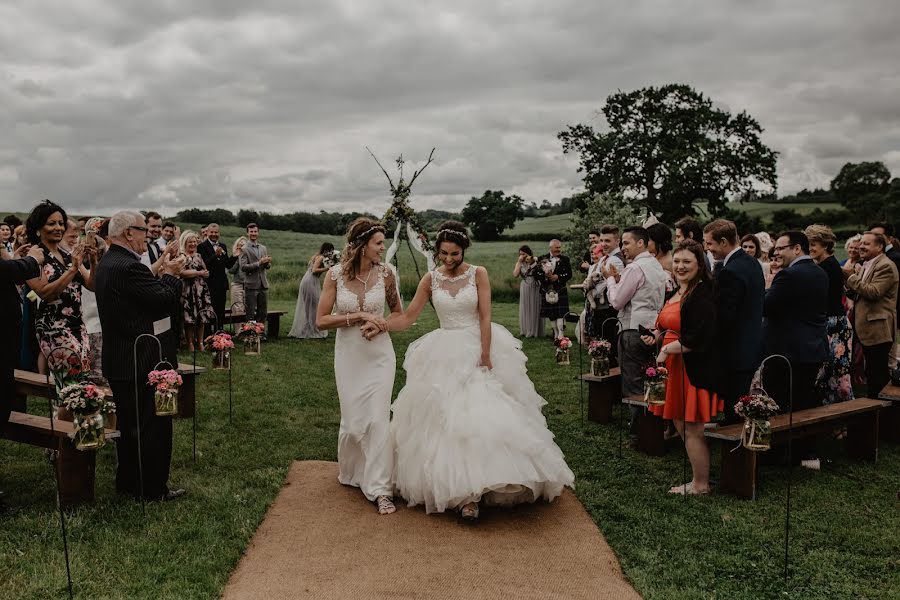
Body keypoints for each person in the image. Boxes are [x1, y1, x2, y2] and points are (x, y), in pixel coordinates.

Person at [368, 221, 574, 520]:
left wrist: (486, 354)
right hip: (442, 351)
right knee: (446, 420)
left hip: (476, 345)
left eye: (454, 254)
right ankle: (463, 495)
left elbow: (486, 316)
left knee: (480, 416)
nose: (449, 259)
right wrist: (382, 323)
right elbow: (410, 316)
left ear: (464, 250)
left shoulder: (478, 273)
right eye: (443, 254)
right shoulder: (431, 278)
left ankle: (481, 488)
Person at [94, 210, 187, 501]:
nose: (148, 235)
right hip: (141, 357)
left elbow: (139, 297)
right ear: (127, 233)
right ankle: (152, 488)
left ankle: (129, 482)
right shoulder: (127, 266)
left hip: (121, 358)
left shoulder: (110, 262)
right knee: (152, 427)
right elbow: (163, 300)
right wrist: (171, 276)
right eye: (143, 230)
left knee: (130, 427)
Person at [315, 218, 402, 515]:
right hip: (349, 355)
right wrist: (359, 315)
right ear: (363, 245)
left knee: (378, 419)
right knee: (354, 424)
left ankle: (380, 489)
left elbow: (397, 315)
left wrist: (380, 327)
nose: (383, 248)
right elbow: (322, 320)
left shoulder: (388, 274)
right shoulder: (335, 275)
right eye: (378, 243)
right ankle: (354, 471)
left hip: (380, 355)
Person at [642, 240, 721, 494]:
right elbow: (667, 325)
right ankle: (699, 479)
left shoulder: (702, 294)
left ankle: (700, 484)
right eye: (676, 261)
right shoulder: (675, 290)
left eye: (687, 261)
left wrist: (666, 350)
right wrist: (656, 335)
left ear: (699, 264)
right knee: (679, 424)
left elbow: (700, 337)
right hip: (673, 367)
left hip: (690, 368)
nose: (680, 266)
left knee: (691, 427)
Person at [603, 226, 668, 443]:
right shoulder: (656, 266)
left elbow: (617, 301)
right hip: (653, 329)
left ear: (641, 243)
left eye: (626, 243)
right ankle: (654, 427)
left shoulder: (635, 268)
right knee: (652, 379)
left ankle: (639, 433)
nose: (623, 248)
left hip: (632, 329)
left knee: (633, 382)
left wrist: (611, 280)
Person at [25, 201, 96, 379]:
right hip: (53, 327)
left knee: (82, 380)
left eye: (60, 223)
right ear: (38, 228)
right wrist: (72, 269)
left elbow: (91, 285)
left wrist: (94, 260)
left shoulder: (67, 254)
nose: (58, 227)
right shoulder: (34, 256)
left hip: (78, 325)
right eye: (51, 223)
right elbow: (45, 293)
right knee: (70, 384)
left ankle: (65, 407)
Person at [703, 219, 764, 423]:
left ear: (723, 242)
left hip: (735, 348)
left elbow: (725, 316)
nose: (707, 248)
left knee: (735, 405)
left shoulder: (732, 270)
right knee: (740, 401)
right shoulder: (751, 262)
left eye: (709, 243)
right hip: (751, 342)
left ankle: (736, 448)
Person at [763, 231, 828, 411]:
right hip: (813, 347)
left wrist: (768, 288)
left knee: (778, 403)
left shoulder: (788, 275)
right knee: (803, 402)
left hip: (787, 352)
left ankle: (784, 439)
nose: (776, 253)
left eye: (781, 248)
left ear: (797, 248)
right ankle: (805, 439)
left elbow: (765, 307)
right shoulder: (820, 272)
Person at [843, 231, 899, 398]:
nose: (861, 246)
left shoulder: (886, 265)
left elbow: (874, 292)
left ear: (880, 246)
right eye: (861, 243)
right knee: (871, 371)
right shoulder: (867, 263)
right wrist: (849, 286)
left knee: (878, 374)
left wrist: (851, 276)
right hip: (866, 327)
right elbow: (859, 292)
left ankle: (881, 414)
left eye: (866, 244)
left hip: (878, 328)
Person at [805, 225, 854, 405]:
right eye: (808, 244)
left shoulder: (827, 267)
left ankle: (845, 416)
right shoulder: (825, 265)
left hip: (835, 325)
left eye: (813, 244)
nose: (810, 248)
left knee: (839, 375)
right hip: (830, 322)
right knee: (829, 374)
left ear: (825, 245)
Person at [179, 230, 216, 351]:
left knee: (202, 317)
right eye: (190, 242)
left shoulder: (198, 255)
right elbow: (181, 273)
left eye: (195, 242)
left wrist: (206, 273)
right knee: (189, 318)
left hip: (200, 289)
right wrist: (198, 273)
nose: (193, 244)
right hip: (188, 290)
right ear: (185, 242)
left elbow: (205, 269)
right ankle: (190, 343)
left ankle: (200, 342)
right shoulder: (182, 255)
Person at [289, 242, 333, 339]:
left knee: (311, 306)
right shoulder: (321, 257)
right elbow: (314, 270)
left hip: (308, 280)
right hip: (310, 281)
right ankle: (312, 329)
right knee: (314, 306)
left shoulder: (316, 256)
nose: (331, 253)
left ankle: (309, 327)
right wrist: (327, 269)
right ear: (326, 250)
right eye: (330, 251)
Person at [198, 223, 237, 331]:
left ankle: (219, 333)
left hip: (221, 284)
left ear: (219, 233)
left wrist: (235, 256)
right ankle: (208, 335)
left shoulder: (223, 246)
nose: (214, 234)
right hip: (209, 285)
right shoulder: (202, 246)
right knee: (209, 310)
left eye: (216, 232)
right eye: (212, 232)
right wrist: (215, 255)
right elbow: (204, 264)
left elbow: (227, 265)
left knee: (220, 311)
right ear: (207, 233)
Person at [535, 239, 572, 340]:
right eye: (556, 247)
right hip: (547, 289)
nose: (559, 249)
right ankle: (555, 333)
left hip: (560, 289)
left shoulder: (565, 259)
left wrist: (558, 277)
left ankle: (561, 334)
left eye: (559, 247)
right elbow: (536, 274)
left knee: (560, 313)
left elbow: (569, 274)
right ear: (550, 248)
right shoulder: (542, 259)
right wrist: (545, 276)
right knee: (551, 314)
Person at [239, 223, 271, 334]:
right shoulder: (244, 249)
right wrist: (258, 263)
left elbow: (266, 266)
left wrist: (267, 263)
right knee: (251, 312)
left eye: (255, 231)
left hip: (263, 284)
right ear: (247, 233)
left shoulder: (263, 248)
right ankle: (251, 335)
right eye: (251, 231)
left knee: (263, 312)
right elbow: (243, 267)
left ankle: (261, 333)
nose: (253, 233)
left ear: (258, 232)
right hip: (251, 284)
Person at [513, 245, 544, 338]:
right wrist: (519, 262)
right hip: (525, 286)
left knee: (535, 306)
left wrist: (533, 262)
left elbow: (540, 272)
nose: (522, 256)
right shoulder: (519, 263)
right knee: (526, 307)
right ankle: (525, 330)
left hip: (535, 285)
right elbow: (515, 274)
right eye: (520, 254)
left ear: (528, 254)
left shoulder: (535, 261)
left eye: (524, 254)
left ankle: (534, 331)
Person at [228, 236, 247, 316]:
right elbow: (231, 270)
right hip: (237, 284)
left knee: (250, 309)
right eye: (239, 245)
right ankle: (238, 329)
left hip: (249, 285)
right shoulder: (234, 257)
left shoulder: (250, 257)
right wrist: (237, 258)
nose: (241, 247)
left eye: (243, 245)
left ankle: (250, 328)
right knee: (237, 310)